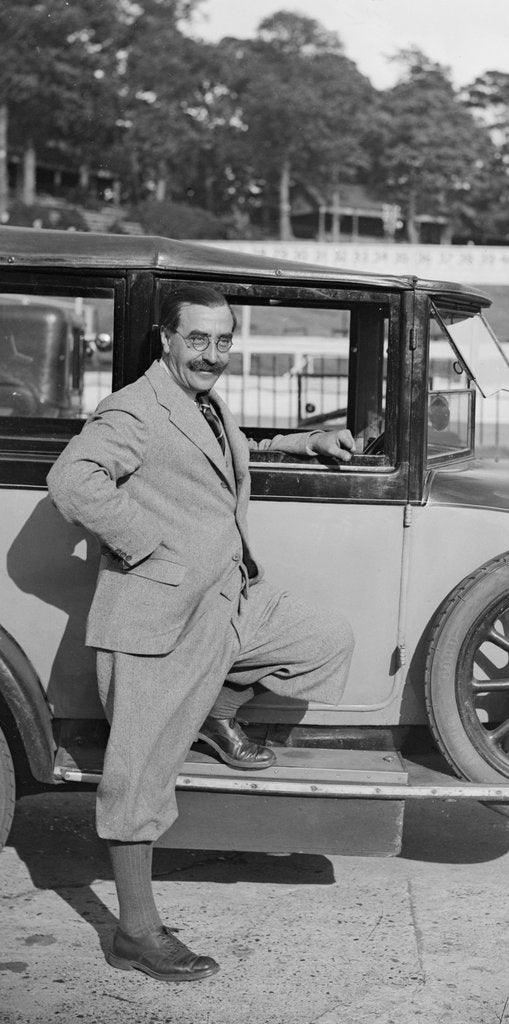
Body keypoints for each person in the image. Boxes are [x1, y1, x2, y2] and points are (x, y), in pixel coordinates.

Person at [46, 285, 356, 983]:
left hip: (226, 601)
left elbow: (211, 460)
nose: (213, 355)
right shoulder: (137, 405)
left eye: (223, 341)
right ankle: (135, 931)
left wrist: (302, 441)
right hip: (157, 616)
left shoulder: (203, 404)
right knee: (138, 780)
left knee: (323, 638)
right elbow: (72, 480)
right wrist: (148, 546)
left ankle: (217, 711)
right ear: (166, 339)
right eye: (198, 340)